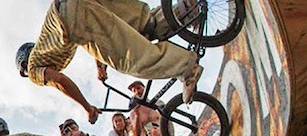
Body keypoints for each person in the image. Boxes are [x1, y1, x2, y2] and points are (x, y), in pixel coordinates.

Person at [15, 0, 201, 125]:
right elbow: (98, 34)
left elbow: (59, 80)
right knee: (141, 26)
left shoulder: (32, 69)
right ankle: (185, 10)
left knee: (130, 58)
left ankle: (186, 67)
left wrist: (87, 108)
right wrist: (100, 65)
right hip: (70, 6)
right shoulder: (48, 40)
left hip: (69, 16)